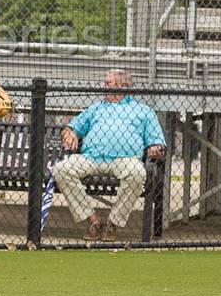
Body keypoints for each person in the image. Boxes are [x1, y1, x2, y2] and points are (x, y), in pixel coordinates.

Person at [51, 69, 167, 242]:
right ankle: (93, 221)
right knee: (61, 169)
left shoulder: (143, 111)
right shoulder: (95, 108)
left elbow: (157, 141)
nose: (104, 86)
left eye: (108, 83)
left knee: (138, 173)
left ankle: (113, 223)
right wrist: (69, 133)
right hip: (92, 157)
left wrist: (156, 149)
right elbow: (72, 127)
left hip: (126, 159)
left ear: (122, 86)